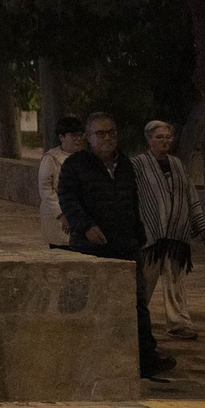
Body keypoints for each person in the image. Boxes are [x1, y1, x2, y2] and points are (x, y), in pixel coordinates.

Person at [58, 112, 175, 378]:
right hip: (90, 247)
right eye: (100, 133)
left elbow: (132, 200)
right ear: (88, 137)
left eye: (111, 132)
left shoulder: (126, 165)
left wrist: (138, 234)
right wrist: (86, 226)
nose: (107, 138)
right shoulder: (75, 166)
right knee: (92, 302)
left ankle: (146, 357)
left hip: (125, 245)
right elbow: (68, 199)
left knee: (136, 302)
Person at [135, 120, 205, 341]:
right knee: (144, 282)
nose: (165, 141)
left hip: (176, 235)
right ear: (149, 139)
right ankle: (135, 321)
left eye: (168, 137)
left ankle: (179, 323)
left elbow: (190, 196)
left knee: (176, 282)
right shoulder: (138, 164)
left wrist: (201, 226)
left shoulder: (177, 164)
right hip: (150, 235)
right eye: (159, 137)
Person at [38, 116, 85, 248]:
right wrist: (61, 213)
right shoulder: (51, 158)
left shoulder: (86, 158)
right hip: (58, 218)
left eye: (81, 135)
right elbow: (46, 189)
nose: (78, 139)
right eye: (74, 135)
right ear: (62, 137)